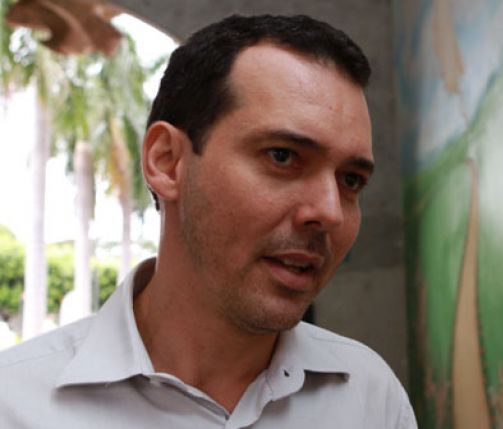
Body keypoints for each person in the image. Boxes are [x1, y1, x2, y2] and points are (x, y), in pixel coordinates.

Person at [0, 14, 417, 428]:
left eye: (351, 180)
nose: (329, 212)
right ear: (167, 161)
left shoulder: (371, 399)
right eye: (282, 156)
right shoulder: (15, 404)